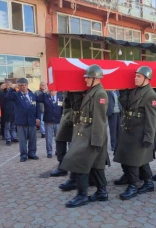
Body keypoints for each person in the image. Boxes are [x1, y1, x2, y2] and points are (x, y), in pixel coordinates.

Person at [60, 65, 109, 208]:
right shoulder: (91, 91)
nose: (85, 79)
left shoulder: (100, 93)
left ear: (95, 78)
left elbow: (100, 119)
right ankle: (102, 192)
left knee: (80, 163)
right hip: (87, 131)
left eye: (88, 77)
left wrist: (97, 141)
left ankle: (82, 196)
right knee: (96, 165)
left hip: (92, 135)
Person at [113, 66, 156, 200]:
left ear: (146, 78)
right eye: (135, 75)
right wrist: (123, 91)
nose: (135, 78)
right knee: (134, 158)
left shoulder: (151, 95)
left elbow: (152, 119)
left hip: (140, 133)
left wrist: (149, 137)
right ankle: (147, 182)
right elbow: (126, 105)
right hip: (129, 130)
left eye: (139, 76)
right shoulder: (134, 90)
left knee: (134, 160)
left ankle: (133, 185)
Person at [6, 78, 41, 162]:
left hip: (32, 120)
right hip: (21, 121)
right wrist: (12, 88)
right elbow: (7, 97)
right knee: (22, 140)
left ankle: (32, 153)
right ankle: (23, 155)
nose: (23, 87)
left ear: (27, 85)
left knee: (33, 139)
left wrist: (38, 117)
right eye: (21, 85)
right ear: (19, 86)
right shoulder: (16, 95)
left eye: (25, 85)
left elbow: (37, 107)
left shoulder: (32, 95)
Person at [36, 90, 63, 158]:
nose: (53, 92)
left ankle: (58, 150)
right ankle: (49, 151)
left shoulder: (60, 97)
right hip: (48, 120)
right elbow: (37, 99)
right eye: (51, 90)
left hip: (58, 120)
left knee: (58, 137)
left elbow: (62, 108)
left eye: (54, 90)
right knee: (48, 137)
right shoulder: (46, 96)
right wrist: (44, 92)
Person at [0, 81, 17, 146]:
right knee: (7, 127)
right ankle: (8, 139)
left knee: (13, 127)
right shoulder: (3, 93)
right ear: (6, 86)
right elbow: (1, 103)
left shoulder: (14, 92)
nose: (10, 86)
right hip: (6, 112)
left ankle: (13, 137)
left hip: (14, 112)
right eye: (8, 85)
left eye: (11, 85)